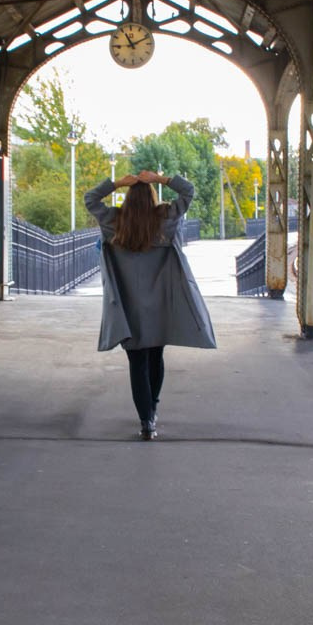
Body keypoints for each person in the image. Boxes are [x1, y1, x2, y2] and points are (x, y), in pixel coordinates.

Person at [85, 170, 216, 440]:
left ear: (128, 199)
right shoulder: (165, 220)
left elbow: (90, 199)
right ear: (152, 198)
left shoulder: (114, 222)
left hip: (128, 308)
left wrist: (118, 183)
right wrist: (161, 179)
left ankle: (145, 420)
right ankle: (153, 410)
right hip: (159, 307)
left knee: (137, 362)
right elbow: (188, 190)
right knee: (156, 357)